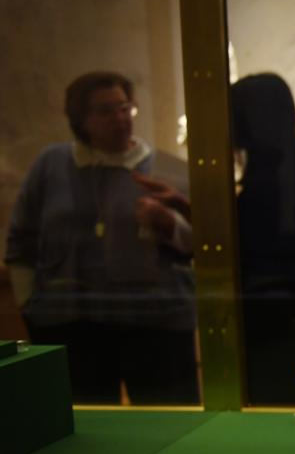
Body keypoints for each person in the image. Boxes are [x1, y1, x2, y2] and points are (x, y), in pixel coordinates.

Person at [5, 71, 198, 404]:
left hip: (155, 322)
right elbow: (21, 238)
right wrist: (28, 304)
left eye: (125, 108)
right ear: (80, 119)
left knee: (168, 419)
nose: (120, 118)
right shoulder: (51, 165)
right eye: (106, 111)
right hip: (72, 322)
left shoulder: (166, 169)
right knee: (84, 420)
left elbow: (200, 244)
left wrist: (168, 224)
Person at [232, 73, 295, 406]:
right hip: (283, 302)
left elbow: (252, 237)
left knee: (270, 390)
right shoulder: (290, 158)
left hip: (266, 307)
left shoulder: (267, 175)